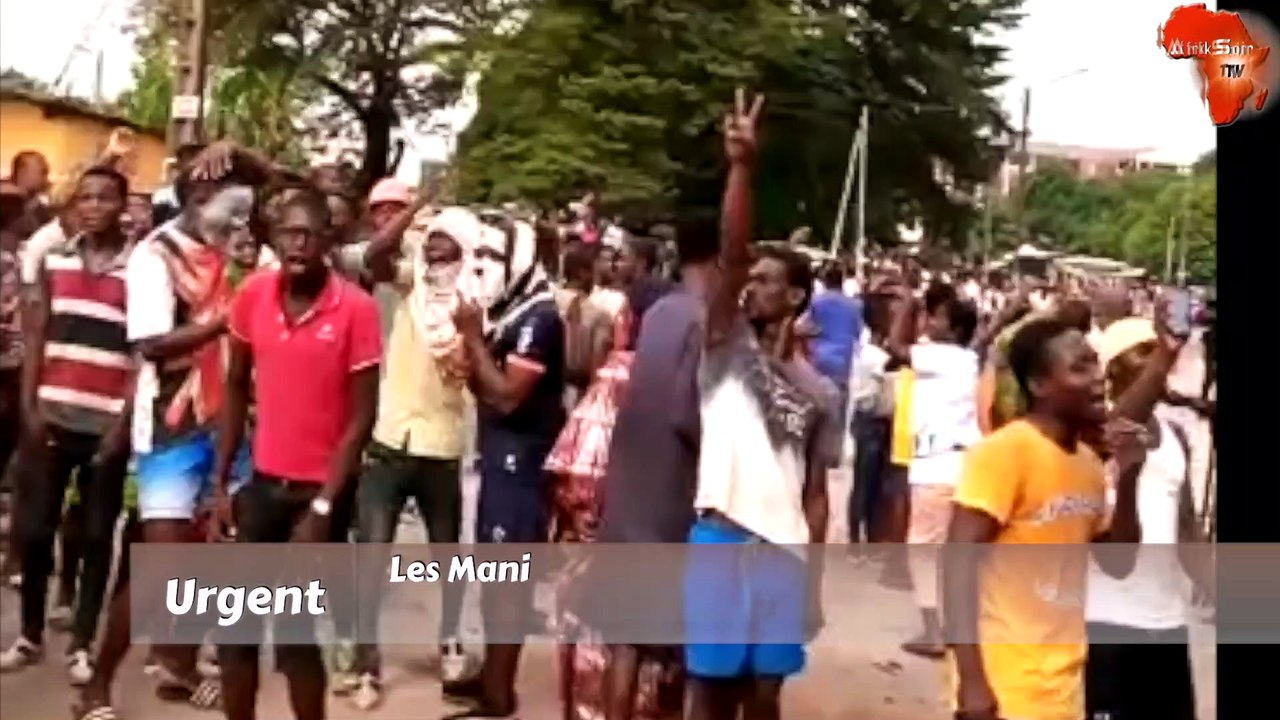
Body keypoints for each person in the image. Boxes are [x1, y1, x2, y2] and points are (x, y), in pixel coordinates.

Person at [684, 89, 838, 720]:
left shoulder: (821, 390)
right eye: (749, 278)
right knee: (709, 696)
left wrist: (814, 581)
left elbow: (818, 493)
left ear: (798, 296)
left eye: (768, 280)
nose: (750, 285)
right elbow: (730, 249)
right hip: (720, 539)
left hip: (785, 552)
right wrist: (741, 168)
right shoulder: (723, 348)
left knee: (766, 699)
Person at [210, 188, 382, 720]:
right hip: (261, 486)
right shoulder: (254, 296)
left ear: (329, 241)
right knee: (234, 634)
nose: (298, 244)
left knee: (295, 636)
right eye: (288, 233)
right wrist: (220, 484)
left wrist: (325, 508)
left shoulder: (356, 308)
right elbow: (236, 385)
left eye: (309, 234)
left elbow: (361, 418)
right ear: (273, 238)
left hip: (319, 497)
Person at [943, 312, 1155, 720]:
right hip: (1006, 684)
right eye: (1080, 367)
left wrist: (1128, 478)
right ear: (1039, 385)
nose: (1099, 376)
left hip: (1063, 685)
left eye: (1096, 361)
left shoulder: (1089, 463)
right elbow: (957, 564)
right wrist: (972, 681)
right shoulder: (1005, 452)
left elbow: (1120, 562)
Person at [342, 201, 480, 709]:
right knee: (374, 553)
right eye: (430, 237)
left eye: (444, 237)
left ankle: (449, 641)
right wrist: (416, 210)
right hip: (389, 438)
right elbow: (373, 258)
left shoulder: (474, 301)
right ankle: (366, 662)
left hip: (441, 444)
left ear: (463, 248)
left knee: (447, 555)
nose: (433, 243)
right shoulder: (407, 284)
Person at [1, 168, 134, 685]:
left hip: (105, 423)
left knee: (99, 535)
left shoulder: (138, 267)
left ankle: (82, 644)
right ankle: (30, 636)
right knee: (34, 532)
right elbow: (36, 336)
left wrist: (122, 423)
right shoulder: (54, 258)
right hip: (51, 414)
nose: (95, 206)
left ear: (122, 204)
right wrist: (31, 408)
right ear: (75, 205)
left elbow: (141, 350)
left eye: (105, 197)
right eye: (86, 197)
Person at [595, 211, 720, 719]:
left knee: (624, 642)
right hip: (671, 497)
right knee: (682, 651)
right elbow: (687, 414)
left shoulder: (664, 311)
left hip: (630, 488)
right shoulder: (704, 319)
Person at [443, 218, 566, 719]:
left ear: (520, 260)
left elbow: (509, 398)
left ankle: (499, 694)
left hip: (521, 466)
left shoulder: (539, 319)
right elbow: (489, 392)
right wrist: (472, 362)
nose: (482, 269)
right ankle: (492, 677)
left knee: (508, 583)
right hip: (500, 460)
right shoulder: (512, 313)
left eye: (494, 259)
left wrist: (472, 342)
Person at [1083, 317, 1209, 720]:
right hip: (1106, 625)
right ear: (1114, 371)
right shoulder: (1093, 434)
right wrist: (1165, 354)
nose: (1155, 372)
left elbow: (1186, 526)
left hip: (1167, 624)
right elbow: (1122, 423)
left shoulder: (1175, 436)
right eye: (1142, 361)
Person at [887, 286, 981, 658]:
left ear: (954, 329)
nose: (929, 322)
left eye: (936, 316)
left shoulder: (938, 356)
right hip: (962, 463)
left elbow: (895, 345)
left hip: (936, 465)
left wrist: (907, 303)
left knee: (924, 550)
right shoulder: (967, 359)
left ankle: (933, 630)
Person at [847, 292, 894, 554]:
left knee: (868, 482)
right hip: (871, 422)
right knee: (865, 483)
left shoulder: (866, 350)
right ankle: (857, 542)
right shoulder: (877, 356)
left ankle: (863, 539)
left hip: (869, 421)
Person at [808, 262, 863, 438]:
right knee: (837, 417)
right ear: (842, 281)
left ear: (824, 280)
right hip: (842, 363)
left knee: (814, 411)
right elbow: (858, 332)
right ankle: (831, 455)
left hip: (816, 360)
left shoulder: (815, 302)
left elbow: (803, 326)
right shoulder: (855, 306)